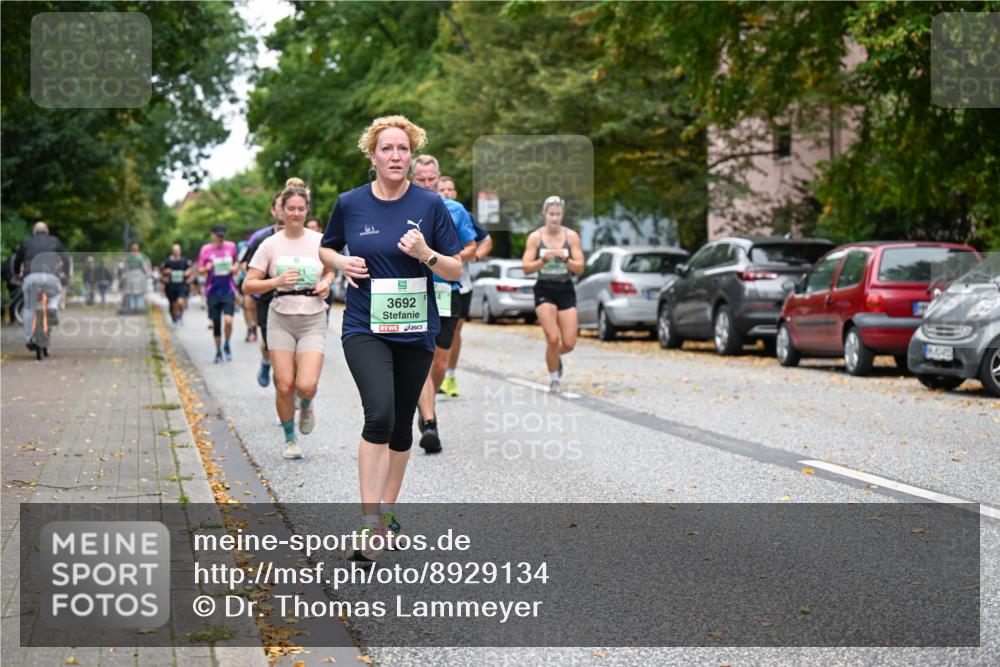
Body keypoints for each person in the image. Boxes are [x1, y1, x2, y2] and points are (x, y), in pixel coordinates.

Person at [319, 115, 463, 559]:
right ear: (373, 155)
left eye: (403, 149)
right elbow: (326, 245)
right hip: (364, 325)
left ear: (411, 155)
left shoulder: (430, 205)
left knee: (402, 425)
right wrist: (340, 264)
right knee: (378, 415)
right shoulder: (350, 203)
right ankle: (368, 525)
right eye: (387, 149)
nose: (396, 156)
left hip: (417, 326)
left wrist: (427, 254)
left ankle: (386, 511)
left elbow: (455, 268)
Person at [245, 179, 335, 460]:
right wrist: (277, 280)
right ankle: (289, 439)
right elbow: (249, 285)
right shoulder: (269, 245)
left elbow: (332, 270)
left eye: (301, 208)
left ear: (307, 210)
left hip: (313, 317)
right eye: (290, 208)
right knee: (284, 384)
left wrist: (327, 282)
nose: (296, 214)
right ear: (280, 211)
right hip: (280, 317)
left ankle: (306, 404)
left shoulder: (320, 242)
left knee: (305, 384)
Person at [409, 158, 477, 453]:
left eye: (431, 180)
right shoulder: (404, 206)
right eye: (421, 180)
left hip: (446, 290)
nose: (426, 185)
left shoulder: (455, 210)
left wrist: (451, 256)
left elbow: (471, 246)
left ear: (438, 178)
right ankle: (429, 418)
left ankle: (428, 401)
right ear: (413, 178)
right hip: (412, 291)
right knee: (420, 355)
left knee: (438, 361)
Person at [521, 195, 584, 394]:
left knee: (569, 342)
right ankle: (554, 379)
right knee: (552, 338)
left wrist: (566, 260)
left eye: (558, 214)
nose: (555, 219)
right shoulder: (535, 237)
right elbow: (526, 268)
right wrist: (543, 260)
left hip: (565, 288)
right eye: (551, 214)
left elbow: (580, 267)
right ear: (545, 214)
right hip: (544, 289)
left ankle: (554, 356)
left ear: (562, 215)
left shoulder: (571, 236)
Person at [436, 175, 492, 397]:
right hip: (434, 282)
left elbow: (486, 241)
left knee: (455, 330)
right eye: (442, 189)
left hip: (461, 284)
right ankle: (433, 373)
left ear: (456, 194)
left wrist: (472, 257)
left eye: (450, 189)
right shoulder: (426, 211)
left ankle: (449, 375)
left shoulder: (462, 214)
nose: (446, 193)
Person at [242, 192, 285, 386]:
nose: (285, 210)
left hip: (299, 301)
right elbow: (249, 271)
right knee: (270, 346)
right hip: (268, 299)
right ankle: (266, 362)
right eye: (281, 206)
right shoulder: (260, 239)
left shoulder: (308, 238)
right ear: (273, 210)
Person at [12, 222, 71, 348]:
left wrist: (17, 273)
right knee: (56, 294)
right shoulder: (55, 240)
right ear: (47, 231)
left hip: (31, 277)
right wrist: (65, 273)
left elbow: (18, 260)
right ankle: (52, 307)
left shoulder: (26, 242)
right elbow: (65, 257)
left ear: (34, 232)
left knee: (29, 308)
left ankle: (28, 339)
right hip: (51, 277)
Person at [197, 224, 240, 363]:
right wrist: (206, 268)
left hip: (228, 289)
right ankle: (218, 351)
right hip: (212, 291)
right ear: (213, 235)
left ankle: (227, 344)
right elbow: (200, 269)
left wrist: (234, 268)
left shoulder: (231, 247)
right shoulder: (206, 249)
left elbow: (236, 263)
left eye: (223, 235)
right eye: (218, 235)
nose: (221, 238)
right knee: (216, 323)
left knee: (228, 320)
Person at [161, 244, 193, 325]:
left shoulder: (184, 260)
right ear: (172, 251)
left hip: (182, 285)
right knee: (172, 304)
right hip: (171, 286)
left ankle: (180, 314)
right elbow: (163, 272)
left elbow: (190, 270)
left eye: (177, 250)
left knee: (180, 302)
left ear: (180, 251)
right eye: (174, 250)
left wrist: (187, 273)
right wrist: (166, 272)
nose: (176, 252)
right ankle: (174, 317)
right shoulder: (167, 261)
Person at [237, 227, 259, 342]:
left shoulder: (260, 242)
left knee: (254, 306)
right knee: (246, 305)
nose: (249, 236)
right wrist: (246, 273)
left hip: (257, 278)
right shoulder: (242, 245)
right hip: (245, 278)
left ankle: (255, 326)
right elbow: (240, 261)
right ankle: (249, 328)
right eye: (247, 234)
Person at [121, 243, 151, 314]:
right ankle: (139, 307)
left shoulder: (128, 257)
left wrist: (124, 275)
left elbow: (126, 267)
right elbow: (144, 267)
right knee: (139, 292)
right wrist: (148, 274)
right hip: (139, 274)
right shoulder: (141, 257)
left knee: (131, 292)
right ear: (138, 249)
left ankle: (133, 307)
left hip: (130, 274)